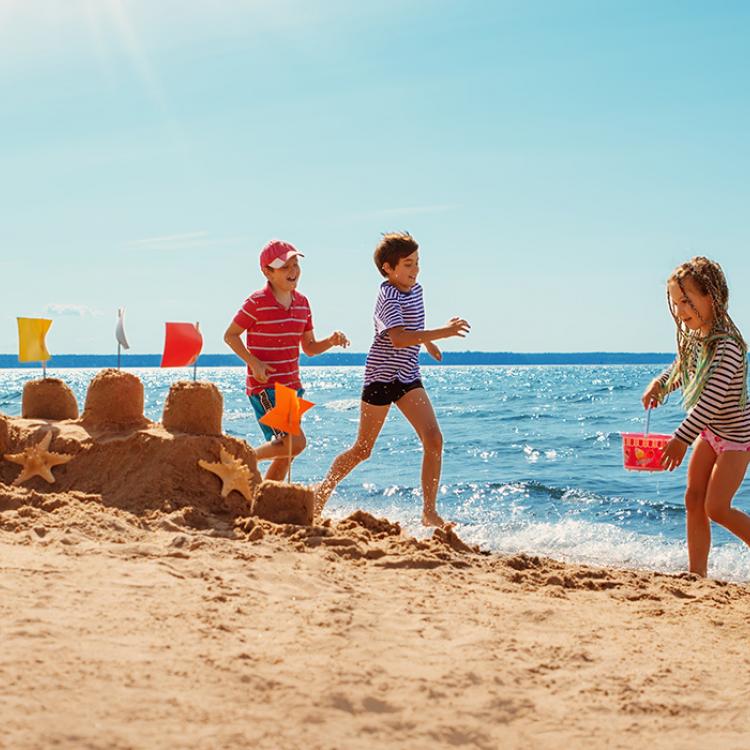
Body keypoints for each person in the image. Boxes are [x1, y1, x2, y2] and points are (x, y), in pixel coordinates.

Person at [314, 232, 470, 527]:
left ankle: (429, 512)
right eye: (408, 264)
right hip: (381, 378)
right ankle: (321, 494)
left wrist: (427, 343)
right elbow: (397, 338)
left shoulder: (417, 290)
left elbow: (412, 327)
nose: (415, 270)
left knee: (434, 439)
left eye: (417, 262)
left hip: (408, 375)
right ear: (388, 268)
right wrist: (443, 333)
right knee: (363, 449)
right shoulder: (386, 297)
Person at [641, 256, 750, 577]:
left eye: (686, 300)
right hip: (710, 433)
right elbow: (679, 370)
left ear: (712, 296)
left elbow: (711, 402)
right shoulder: (694, 340)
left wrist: (680, 439)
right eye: (675, 303)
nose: (680, 310)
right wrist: (659, 385)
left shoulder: (729, 347)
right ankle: (697, 574)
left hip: (736, 439)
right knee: (693, 499)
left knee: (717, 507)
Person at [224, 239, 349, 480]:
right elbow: (230, 335)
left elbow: (310, 348)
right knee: (295, 442)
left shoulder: (303, 303)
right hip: (266, 388)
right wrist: (254, 362)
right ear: (267, 272)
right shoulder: (256, 302)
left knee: (286, 452)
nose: (293, 271)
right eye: (284, 267)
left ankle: (265, 498)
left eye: (295, 265)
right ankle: (241, 458)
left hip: (292, 388)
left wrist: (331, 341)